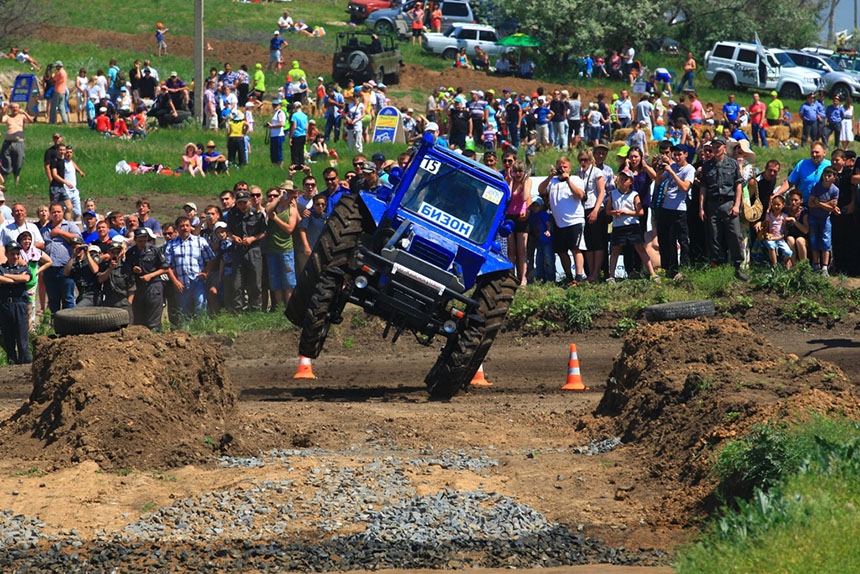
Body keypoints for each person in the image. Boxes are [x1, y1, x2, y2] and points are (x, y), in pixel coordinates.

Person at [698, 136, 747, 280]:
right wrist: (701, 208)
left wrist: (737, 205)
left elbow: (738, 185)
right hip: (712, 204)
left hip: (728, 203)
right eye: (713, 146)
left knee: (735, 235)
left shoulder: (732, 164)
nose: (715, 149)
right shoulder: (707, 166)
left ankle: (737, 266)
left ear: (724, 148)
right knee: (714, 236)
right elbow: (703, 188)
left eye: (718, 146)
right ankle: (718, 265)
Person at [539, 156, 586, 285]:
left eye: (565, 167)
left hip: (574, 220)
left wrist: (568, 180)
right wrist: (549, 177)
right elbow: (541, 190)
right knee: (561, 251)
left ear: (570, 168)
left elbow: (580, 195)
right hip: (559, 222)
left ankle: (579, 277)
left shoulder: (576, 179)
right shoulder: (552, 182)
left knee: (576, 249)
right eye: (560, 166)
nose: (562, 169)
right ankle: (569, 276)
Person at [607, 169, 657, 282]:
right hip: (618, 226)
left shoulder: (634, 195)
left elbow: (640, 212)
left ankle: (652, 273)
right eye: (621, 179)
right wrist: (615, 213)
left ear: (631, 182)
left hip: (632, 225)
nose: (623, 181)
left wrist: (627, 212)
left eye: (626, 179)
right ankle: (611, 276)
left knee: (640, 248)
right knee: (616, 250)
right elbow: (608, 210)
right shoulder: (613, 194)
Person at [164, 216, 215, 323]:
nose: (185, 228)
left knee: (200, 308)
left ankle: (201, 333)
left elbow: (211, 259)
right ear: (177, 229)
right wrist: (175, 282)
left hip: (198, 282)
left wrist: (205, 272)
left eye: (187, 225)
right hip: (181, 284)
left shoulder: (200, 241)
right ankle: (186, 336)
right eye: (182, 226)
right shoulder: (170, 245)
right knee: (183, 313)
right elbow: (167, 266)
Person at [656, 145, 695, 280]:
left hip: (680, 208)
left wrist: (672, 173)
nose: (677, 157)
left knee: (682, 239)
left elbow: (685, 187)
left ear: (685, 154)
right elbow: (658, 181)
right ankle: (670, 268)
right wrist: (658, 168)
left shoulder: (689, 169)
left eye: (680, 155)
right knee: (667, 239)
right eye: (675, 155)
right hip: (667, 207)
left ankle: (684, 267)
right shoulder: (672, 167)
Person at [225, 189, 266, 312]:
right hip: (238, 251)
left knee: (255, 282)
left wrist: (252, 239)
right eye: (240, 203)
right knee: (237, 282)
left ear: (249, 201)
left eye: (244, 202)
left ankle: (255, 309)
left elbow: (264, 232)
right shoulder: (233, 214)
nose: (242, 205)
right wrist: (233, 237)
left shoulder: (257, 214)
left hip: (253, 250)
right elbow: (228, 231)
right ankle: (238, 310)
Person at [40, 202, 81, 312]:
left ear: (63, 212)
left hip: (65, 268)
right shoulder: (44, 229)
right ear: (50, 214)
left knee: (68, 298)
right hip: (49, 269)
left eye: (58, 212)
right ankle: (55, 326)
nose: (56, 214)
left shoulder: (70, 226)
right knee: (53, 300)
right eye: (54, 212)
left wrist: (60, 232)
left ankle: (70, 326)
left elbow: (78, 239)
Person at [125, 227, 168, 330]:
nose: (142, 243)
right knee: (139, 319)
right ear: (135, 240)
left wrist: (150, 275)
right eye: (140, 241)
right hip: (138, 287)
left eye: (145, 240)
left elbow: (165, 268)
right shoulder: (131, 253)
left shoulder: (154, 250)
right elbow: (126, 269)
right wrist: (133, 269)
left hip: (154, 285)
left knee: (153, 320)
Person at [264, 186, 299, 309]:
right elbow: (267, 210)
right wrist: (278, 198)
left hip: (286, 249)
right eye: (285, 192)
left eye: (289, 193)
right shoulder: (275, 206)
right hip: (271, 249)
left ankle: (289, 307)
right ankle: (279, 307)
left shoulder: (292, 210)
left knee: (289, 281)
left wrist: (276, 219)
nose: (287, 195)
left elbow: (290, 229)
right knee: (275, 280)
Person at [0, 241, 32, 363]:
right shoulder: (1, 268)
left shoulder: (24, 268)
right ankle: (12, 363)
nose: (15, 257)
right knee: (8, 337)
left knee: (22, 338)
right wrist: (15, 279)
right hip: (5, 305)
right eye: (12, 254)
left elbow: (26, 278)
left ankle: (26, 365)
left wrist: (7, 277)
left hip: (20, 305)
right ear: (7, 254)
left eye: (17, 254)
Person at [807, 166, 840, 277]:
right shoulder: (817, 186)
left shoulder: (835, 190)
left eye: (829, 176)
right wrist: (826, 204)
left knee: (826, 241)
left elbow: (832, 207)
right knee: (814, 240)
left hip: (825, 218)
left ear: (834, 178)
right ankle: (816, 264)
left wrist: (819, 203)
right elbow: (810, 203)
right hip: (814, 217)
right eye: (825, 175)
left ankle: (824, 267)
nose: (826, 178)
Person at [17, 231, 51, 331]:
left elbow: (49, 261)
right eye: (24, 239)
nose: (27, 241)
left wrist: (37, 271)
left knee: (31, 306)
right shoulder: (16, 252)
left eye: (29, 239)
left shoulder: (35, 251)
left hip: (31, 283)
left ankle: (31, 330)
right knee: (20, 306)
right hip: (19, 283)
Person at [505, 160, 531, 285]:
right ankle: (511, 277)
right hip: (510, 216)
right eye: (515, 171)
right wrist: (510, 180)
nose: (518, 173)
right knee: (511, 251)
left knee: (522, 250)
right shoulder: (511, 181)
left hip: (522, 218)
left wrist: (525, 181)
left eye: (520, 171)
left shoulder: (527, 181)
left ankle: (523, 279)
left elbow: (525, 197)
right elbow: (508, 197)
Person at [0, 102, 34, 185]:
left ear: (19, 108)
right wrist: (3, 111)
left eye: (16, 107)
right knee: (5, 162)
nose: (15, 109)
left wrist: (25, 113)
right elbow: (1, 120)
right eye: (13, 108)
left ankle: (16, 184)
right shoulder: (8, 117)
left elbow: (31, 121)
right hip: (8, 143)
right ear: (11, 109)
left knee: (18, 163)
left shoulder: (22, 117)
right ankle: (3, 183)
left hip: (19, 143)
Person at [63, 235, 100, 306]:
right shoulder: (73, 262)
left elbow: (95, 270)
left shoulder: (92, 257)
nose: (77, 250)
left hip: (93, 294)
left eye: (78, 247)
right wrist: (73, 256)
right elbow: (65, 273)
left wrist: (87, 253)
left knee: (78, 311)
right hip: (82, 295)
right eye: (73, 247)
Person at [763, 195, 792, 268]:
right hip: (771, 238)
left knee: (788, 252)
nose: (776, 206)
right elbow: (766, 228)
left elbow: (785, 231)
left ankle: (784, 262)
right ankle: (775, 266)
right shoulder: (769, 216)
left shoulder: (784, 216)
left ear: (783, 205)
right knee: (771, 245)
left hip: (780, 238)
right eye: (774, 204)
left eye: (778, 204)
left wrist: (781, 237)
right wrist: (766, 235)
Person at [784, 189, 809, 267]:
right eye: (791, 200)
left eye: (796, 200)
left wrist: (794, 221)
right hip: (790, 237)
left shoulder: (804, 212)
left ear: (801, 201)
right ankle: (794, 267)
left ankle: (803, 267)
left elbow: (806, 230)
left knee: (799, 240)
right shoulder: (786, 210)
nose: (793, 202)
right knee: (790, 239)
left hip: (803, 238)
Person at [289, 102, 308, 171]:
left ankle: (295, 165)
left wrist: (291, 136)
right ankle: (302, 165)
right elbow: (306, 127)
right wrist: (306, 136)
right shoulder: (305, 116)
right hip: (303, 134)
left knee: (295, 151)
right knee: (301, 150)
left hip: (296, 134)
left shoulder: (294, 115)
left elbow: (294, 126)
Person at [50, 60, 69, 125]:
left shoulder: (59, 73)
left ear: (59, 66)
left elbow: (53, 79)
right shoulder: (65, 72)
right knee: (61, 106)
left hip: (57, 90)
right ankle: (65, 120)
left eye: (56, 66)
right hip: (63, 91)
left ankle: (52, 120)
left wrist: (52, 75)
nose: (56, 68)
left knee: (53, 106)